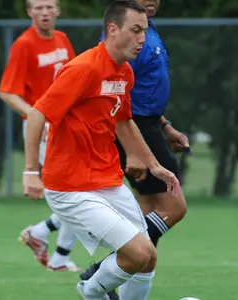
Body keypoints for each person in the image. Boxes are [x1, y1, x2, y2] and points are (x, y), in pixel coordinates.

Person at [23, 1, 181, 299]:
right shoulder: (83, 68)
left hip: (107, 180)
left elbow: (124, 124)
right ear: (112, 29)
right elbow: (36, 114)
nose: (142, 39)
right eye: (135, 30)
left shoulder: (123, 74)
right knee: (137, 252)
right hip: (71, 187)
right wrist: (31, 171)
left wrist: (154, 164)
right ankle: (90, 291)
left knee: (147, 258)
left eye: (144, 31)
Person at [79, 0, 189, 297]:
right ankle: (110, 265)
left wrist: (165, 126)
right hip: (134, 126)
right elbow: (114, 92)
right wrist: (134, 151)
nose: (152, 0)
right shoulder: (126, 38)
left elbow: (138, 87)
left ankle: (121, 271)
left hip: (148, 124)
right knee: (174, 206)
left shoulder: (146, 30)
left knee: (147, 212)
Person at [0, 0, 80, 272]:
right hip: (43, 129)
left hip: (66, 125)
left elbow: (74, 80)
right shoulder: (24, 45)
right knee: (79, 193)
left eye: (49, 7)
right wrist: (37, 116)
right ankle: (56, 255)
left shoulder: (62, 40)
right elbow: (7, 92)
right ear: (29, 12)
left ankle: (42, 235)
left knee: (81, 192)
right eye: (38, 7)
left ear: (58, 10)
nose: (44, 12)